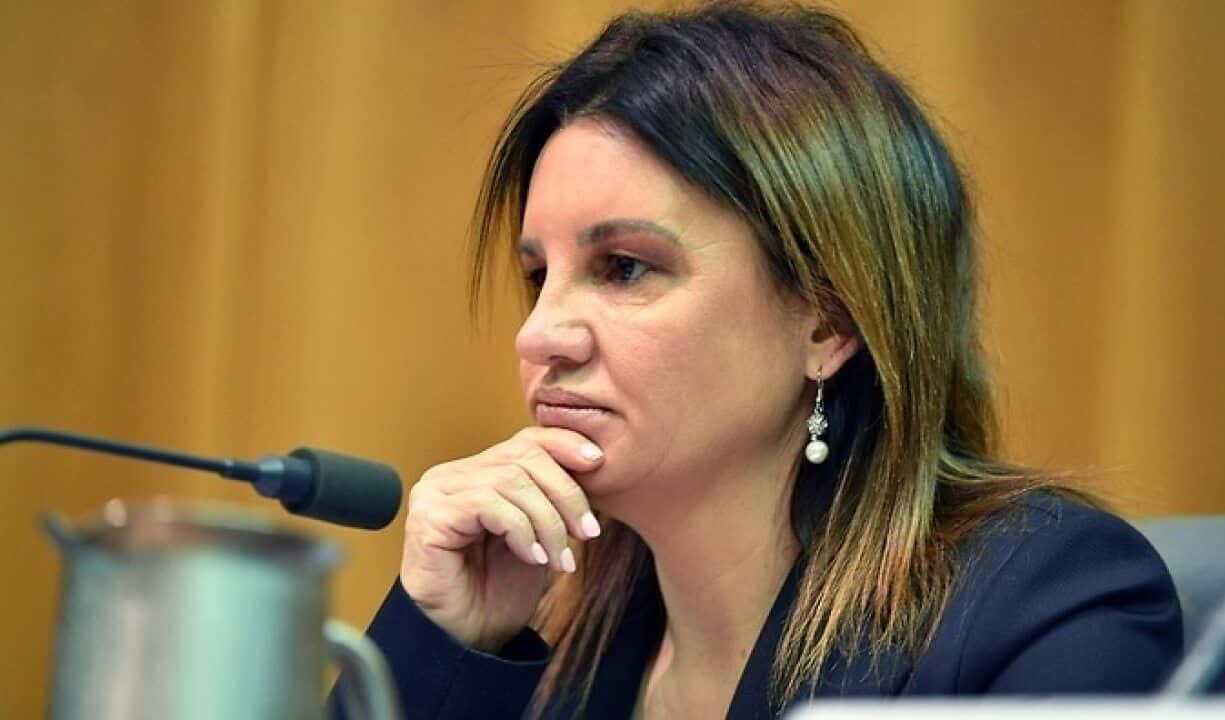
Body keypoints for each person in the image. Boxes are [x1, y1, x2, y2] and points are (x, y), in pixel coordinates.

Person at [335, 3, 1182, 718]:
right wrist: (442, 642)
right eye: (537, 275)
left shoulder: (1042, 603)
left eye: (624, 267)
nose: (539, 334)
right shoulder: (566, 648)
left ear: (829, 320)